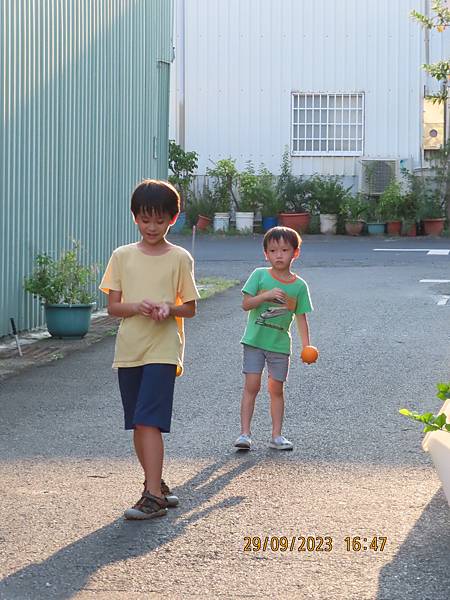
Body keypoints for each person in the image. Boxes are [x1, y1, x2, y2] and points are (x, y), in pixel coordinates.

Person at [100, 179, 199, 520]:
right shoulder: (122, 256)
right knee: (138, 424)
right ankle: (156, 485)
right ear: (134, 217)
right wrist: (138, 306)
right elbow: (113, 307)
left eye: (159, 220)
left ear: (173, 219)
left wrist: (168, 309)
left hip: (164, 348)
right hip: (129, 349)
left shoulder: (180, 258)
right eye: (145, 219)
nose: (151, 227)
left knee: (148, 419)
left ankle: (153, 497)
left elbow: (189, 307)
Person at [234, 226, 313, 451]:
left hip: (279, 345)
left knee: (276, 389)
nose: (279, 255)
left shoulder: (299, 286)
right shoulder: (259, 275)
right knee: (252, 385)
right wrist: (266, 295)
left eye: (285, 250)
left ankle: (277, 436)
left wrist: (306, 345)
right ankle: (245, 434)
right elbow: (245, 304)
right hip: (254, 341)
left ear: (295, 253)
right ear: (265, 254)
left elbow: (301, 317)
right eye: (273, 250)